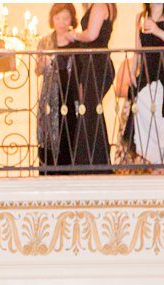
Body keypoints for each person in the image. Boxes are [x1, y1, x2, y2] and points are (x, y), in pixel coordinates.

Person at [126, 2, 164, 167]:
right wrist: (133, 69)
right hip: (147, 73)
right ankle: (154, 161)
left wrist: (157, 31)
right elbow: (138, 48)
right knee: (145, 117)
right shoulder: (140, 17)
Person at [56, 3, 116, 168]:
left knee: (90, 112)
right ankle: (95, 160)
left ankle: (92, 161)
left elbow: (91, 35)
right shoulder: (100, 6)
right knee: (91, 111)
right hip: (93, 64)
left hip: (96, 64)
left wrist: (73, 35)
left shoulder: (100, 5)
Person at [34, 5, 77, 171]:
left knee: (70, 134)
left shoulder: (76, 41)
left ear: (71, 19)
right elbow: (37, 71)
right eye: (58, 18)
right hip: (50, 95)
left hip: (70, 94)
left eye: (65, 18)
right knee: (49, 136)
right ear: (52, 19)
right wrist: (42, 64)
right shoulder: (45, 42)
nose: (61, 22)